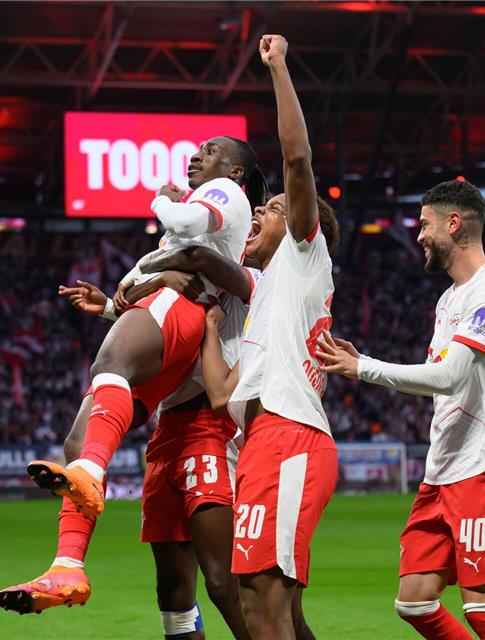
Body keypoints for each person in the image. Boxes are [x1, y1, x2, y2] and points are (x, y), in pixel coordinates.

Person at [0, 135, 268, 624]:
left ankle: (92, 477)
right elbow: (153, 276)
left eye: (211, 150)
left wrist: (164, 197)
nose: (198, 155)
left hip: (207, 417)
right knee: (79, 440)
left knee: (223, 584)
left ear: (236, 174)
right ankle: (67, 565)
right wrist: (114, 302)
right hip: (171, 416)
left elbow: (184, 241)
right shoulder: (197, 238)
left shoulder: (225, 199)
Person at [316, 179, 485, 640]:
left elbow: (450, 375)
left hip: (484, 466)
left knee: (484, 609)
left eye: (424, 224)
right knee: (413, 601)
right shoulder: (448, 299)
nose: (418, 236)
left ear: (454, 225)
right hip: (442, 472)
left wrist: (364, 367)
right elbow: (441, 380)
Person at [197, 34, 341, 640]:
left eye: (274, 208)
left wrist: (279, 67)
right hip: (260, 442)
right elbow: (217, 394)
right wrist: (207, 328)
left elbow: (298, 160)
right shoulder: (265, 300)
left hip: (289, 439)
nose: (260, 212)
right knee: (260, 606)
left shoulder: (306, 257)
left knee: (268, 608)